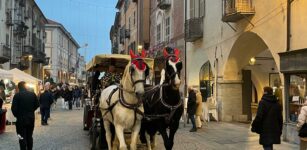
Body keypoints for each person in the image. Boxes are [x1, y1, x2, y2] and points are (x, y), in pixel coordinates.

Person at [11, 81, 39, 150]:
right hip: (31, 118)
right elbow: (37, 105)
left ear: (18, 87)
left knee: (21, 137)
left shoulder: (17, 95)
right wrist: (31, 111)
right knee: (29, 136)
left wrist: (17, 115)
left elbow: (13, 109)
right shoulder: (32, 94)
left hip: (20, 120)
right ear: (25, 86)